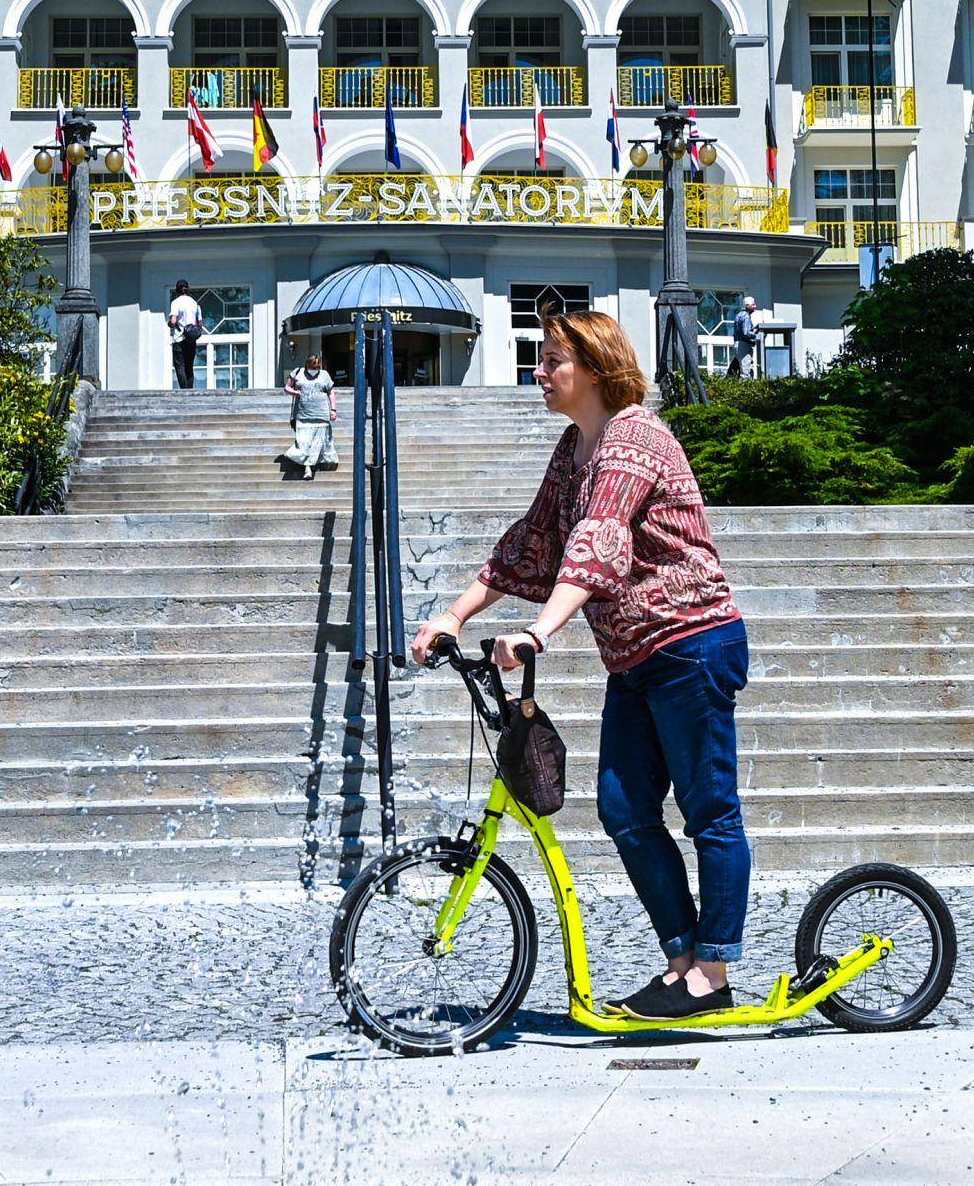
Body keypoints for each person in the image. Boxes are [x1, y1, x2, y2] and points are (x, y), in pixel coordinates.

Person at [408, 308, 749, 1021]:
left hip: (693, 644)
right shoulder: (574, 449)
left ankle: (712, 972)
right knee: (623, 808)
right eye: (540, 359)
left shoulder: (633, 438)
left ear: (594, 368)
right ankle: (682, 960)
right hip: (633, 657)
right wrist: (454, 615)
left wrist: (538, 632)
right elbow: (532, 541)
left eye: (552, 361)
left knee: (709, 811)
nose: (539, 372)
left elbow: (597, 541)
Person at [280, 353, 338, 477]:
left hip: (321, 414)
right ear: (307, 364)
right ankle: (307, 466)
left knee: (317, 442)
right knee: (304, 442)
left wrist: (333, 409)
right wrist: (295, 393)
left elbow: (331, 392)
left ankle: (309, 467)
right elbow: (287, 387)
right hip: (303, 415)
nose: (315, 369)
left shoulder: (324, 375)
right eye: (312, 367)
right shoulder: (298, 373)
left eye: (317, 367)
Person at [167, 280, 205, 389]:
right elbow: (200, 324)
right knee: (189, 367)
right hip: (191, 340)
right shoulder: (195, 303)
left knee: (180, 366)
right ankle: (190, 391)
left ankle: (184, 392)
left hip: (179, 339)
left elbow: (173, 321)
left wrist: (169, 324)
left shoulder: (176, 302)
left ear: (177, 291)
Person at [730, 293, 760, 380]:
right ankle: (744, 388)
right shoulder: (746, 316)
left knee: (736, 369)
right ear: (747, 306)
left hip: (738, 344)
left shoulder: (739, 315)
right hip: (743, 345)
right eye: (753, 304)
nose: (755, 306)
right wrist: (756, 335)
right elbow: (746, 332)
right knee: (745, 372)